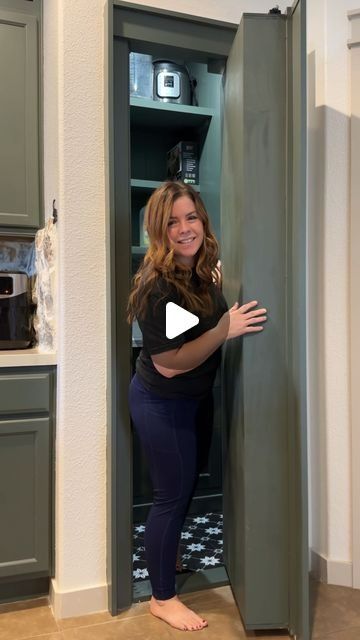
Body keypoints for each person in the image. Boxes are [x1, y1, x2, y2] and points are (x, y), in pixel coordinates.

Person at [127, 181, 267, 632]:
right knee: (171, 497)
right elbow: (171, 362)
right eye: (172, 222)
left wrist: (216, 293)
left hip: (193, 400)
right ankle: (162, 599)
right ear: (158, 229)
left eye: (191, 217)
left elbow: (190, 326)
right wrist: (226, 327)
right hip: (161, 400)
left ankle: (167, 562)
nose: (185, 229)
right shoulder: (158, 286)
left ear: (202, 220)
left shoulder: (196, 272)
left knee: (184, 488)